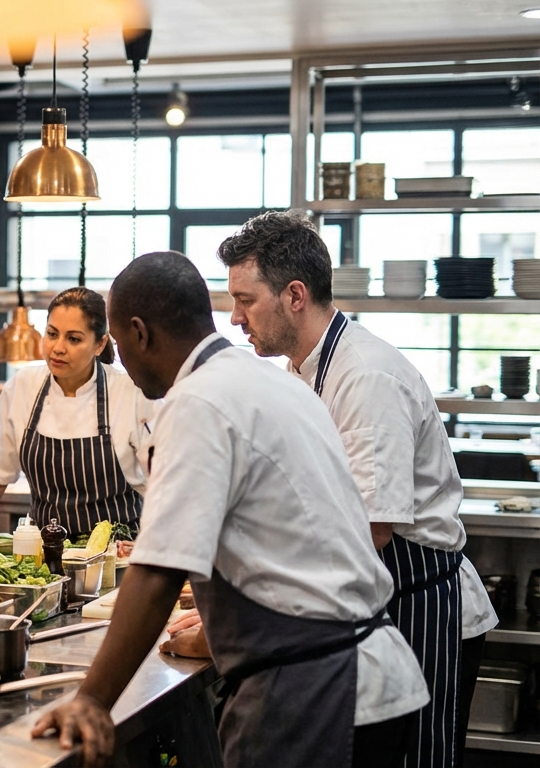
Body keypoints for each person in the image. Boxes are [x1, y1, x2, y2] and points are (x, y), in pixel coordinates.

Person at [32, 252, 427, 768]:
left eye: (119, 345)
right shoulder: (268, 381)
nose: (120, 361)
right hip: (371, 672)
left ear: (139, 333)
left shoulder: (198, 402)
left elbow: (158, 570)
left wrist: (92, 699)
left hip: (314, 690)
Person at [219, 211, 497, 768]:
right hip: (372, 601)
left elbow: (371, 529)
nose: (235, 317)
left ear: (294, 295)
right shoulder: (303, 369)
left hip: (419, 606)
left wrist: (260, 597)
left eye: (246, 300)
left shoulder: (365, 376)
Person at [0, 287, 152, 543]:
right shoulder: (23, 386)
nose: (58, 348)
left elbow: (162, 481)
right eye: (52, 334)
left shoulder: (130, 392)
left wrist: (149, 543)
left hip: (117, 551)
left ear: (99, 344)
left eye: (73, 339)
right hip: (43, 551)